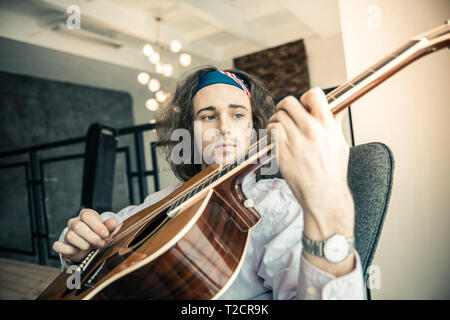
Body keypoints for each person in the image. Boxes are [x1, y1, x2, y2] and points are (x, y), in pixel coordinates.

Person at [53, 66, 365, 299]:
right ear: (188, 131)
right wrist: (79, 241)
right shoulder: (164, 199)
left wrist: (331, 209)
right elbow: (114, 228)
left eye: (238, 115)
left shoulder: (278, 203)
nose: (224, 128)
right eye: (207, 116)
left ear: (255, 127)